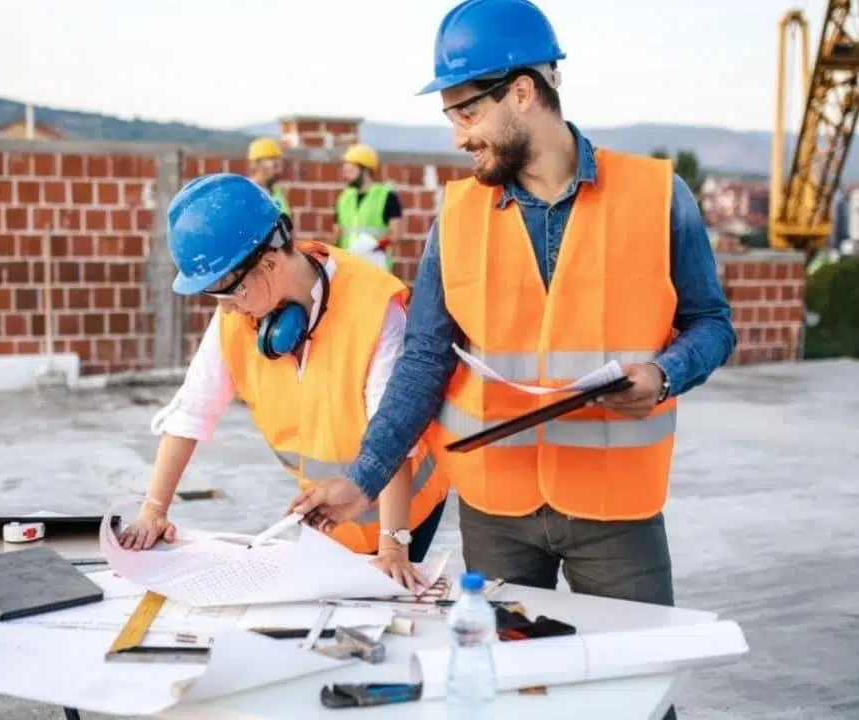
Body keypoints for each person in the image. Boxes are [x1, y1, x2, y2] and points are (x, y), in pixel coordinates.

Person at [291, 3, 736, 716]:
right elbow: (424, 361)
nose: (459, 136)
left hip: (616, 510)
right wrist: (363, 479)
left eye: (467, 112)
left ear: (523, 92)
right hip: (495, 511)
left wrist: (664, 374)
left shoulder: (658, 197)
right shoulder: (455, 216)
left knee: (641, 694)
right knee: (505, 696)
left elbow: (711, 324)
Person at [117, 172, 450, 592]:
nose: (228, 309)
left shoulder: (373, 309)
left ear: (269, 264)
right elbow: (191, 412)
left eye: (228, 292)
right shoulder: (235, 320)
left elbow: (396, 431)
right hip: (329, 514)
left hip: (405, 511)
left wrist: (393, 546)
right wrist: (153, 510)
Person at [333, 144, 403, 272]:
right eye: (345, 170)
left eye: (350, 170)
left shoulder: (386, 196)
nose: (345, 175)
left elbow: (396, 234)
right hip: (348, 268)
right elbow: (336, 235)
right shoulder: (344, 198)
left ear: (365, 170)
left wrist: (373, 245)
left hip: (376, 267)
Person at [247, 136, 291, 214]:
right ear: (258, 162)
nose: (277, 163)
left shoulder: (277, 190)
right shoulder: (248, 189)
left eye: (277, 158)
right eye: (271, 158)